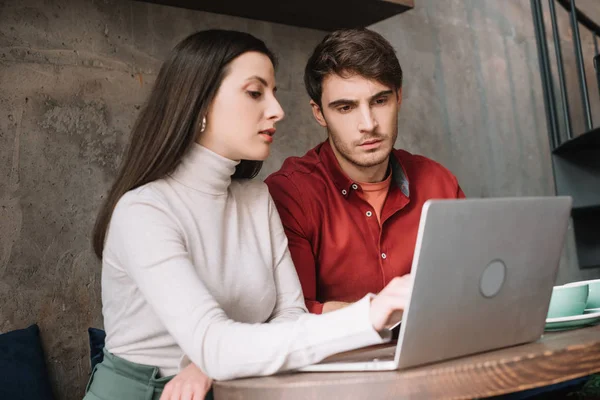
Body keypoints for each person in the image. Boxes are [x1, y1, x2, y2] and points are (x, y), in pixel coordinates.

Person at [85, 29, 412, 400]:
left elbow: (290, 317)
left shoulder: (256, 199)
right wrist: (370, 314)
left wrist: (219, 358)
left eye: (272, 93)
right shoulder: (143, 212)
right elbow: (214, 343)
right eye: (256, 93)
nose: (277, 110)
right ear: (200, 103)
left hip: (239, 388)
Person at [265, 28, 465, 315]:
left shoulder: (439, 183)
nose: (368, 124)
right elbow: (295, 315)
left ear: (399, 97)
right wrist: (380, 314)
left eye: (380, 101)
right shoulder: (291, 194)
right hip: (340, 360)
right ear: (319, 113)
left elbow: (471, 286)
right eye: (345, 107)